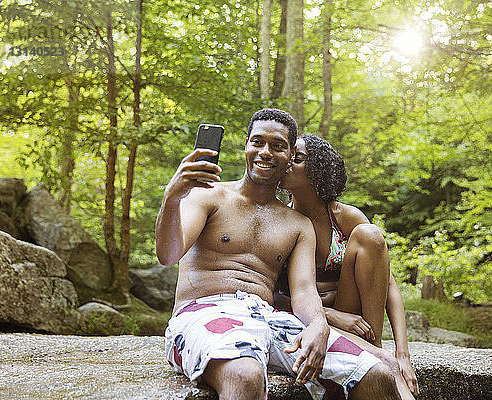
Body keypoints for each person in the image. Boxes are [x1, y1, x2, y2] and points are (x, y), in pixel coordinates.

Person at [155, 109, 401, 400]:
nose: (265, 152)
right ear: (246, 145)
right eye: (257, 142)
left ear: (289, 156)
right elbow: (168, 254)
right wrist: (172, 196)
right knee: (246, 375)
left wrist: (318, 326)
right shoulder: (208, 196)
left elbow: (304, 292)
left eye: (278, 146)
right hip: (205, 311)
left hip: (271, 319)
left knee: (376, 374)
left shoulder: (298, 224)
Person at [276, 134, 419, 397]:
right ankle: (376, 358)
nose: (287, 163)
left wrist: (403, 354)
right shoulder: (280, 221)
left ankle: (375, 347)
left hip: (357, 319)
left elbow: (388, 285)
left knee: (370, 234)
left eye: (297, 159)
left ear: (317, 171)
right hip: (306, 320)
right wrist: (329, 316)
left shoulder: (345, 217)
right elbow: (271, 295)